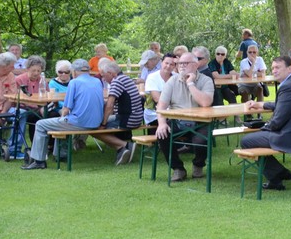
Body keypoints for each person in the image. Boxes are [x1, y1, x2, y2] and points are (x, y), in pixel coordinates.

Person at [241, 55, 291, 191]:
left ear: (290, 68)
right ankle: (278, 176)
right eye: (272, 68)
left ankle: (277, 174)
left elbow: (278, 120)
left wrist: (263, 128)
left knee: (247, 141)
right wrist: (260, 104)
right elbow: (282, 104)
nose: (274, 71)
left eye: (278, 67)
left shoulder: (288, 86)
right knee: (254, 138)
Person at [21, 60, 104, 170]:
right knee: (62, 122)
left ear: (74, 71)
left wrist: (62, 118)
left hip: (80, 122)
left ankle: (39, 161)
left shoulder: (74, 82)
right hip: (96, 122)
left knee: (41, 124)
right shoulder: (97, 81)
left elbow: (66, 108)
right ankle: (60, 155)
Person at [155, 51, 214, 183]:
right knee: (162, 134)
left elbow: (205, 102)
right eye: (180, 63)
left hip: (200, 121)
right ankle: (178, 168)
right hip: (178, 121)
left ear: (195, 65)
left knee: (201, 141)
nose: (181, 66)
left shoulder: (206, 80)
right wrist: (162, 124)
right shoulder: (172, 81)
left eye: (185, 63)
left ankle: (198, 164)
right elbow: (161, 106)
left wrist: (190, 83)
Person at [90, 59, 144, 166]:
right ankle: (121, 148)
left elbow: (110, 105)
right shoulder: (126, 78)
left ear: (110, 73)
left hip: (128, 119)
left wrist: (103, 124)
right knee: (97, 125)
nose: (104, 79)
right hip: (137, 118)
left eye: (104, 76)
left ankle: (123, 146)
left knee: (92, 127)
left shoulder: (117, 81)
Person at [0, 52, 28, 160]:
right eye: (12, 66)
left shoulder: (10, 75)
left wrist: (3, 112)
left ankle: (14, 149)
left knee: (22, 114)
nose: (14, 68)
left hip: (4, 107)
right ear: (4, 66)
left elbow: (10, 97)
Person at [143, 52, 176, 125]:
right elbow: (157, 99)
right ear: (161, 63)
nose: (168, 66)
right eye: (166, 63)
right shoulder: (152, 77)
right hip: (154, 114)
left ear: (174, 66)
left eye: (171, 64)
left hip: (174, 113)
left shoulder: (177, 77)